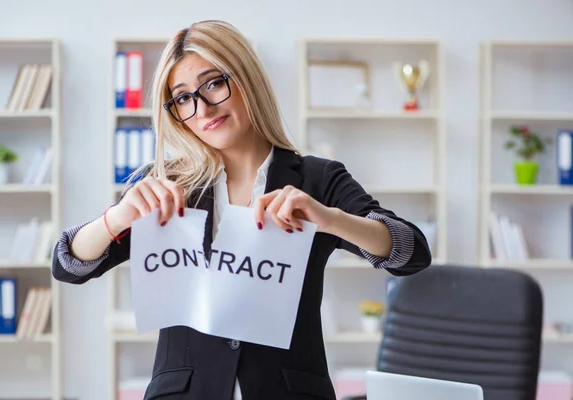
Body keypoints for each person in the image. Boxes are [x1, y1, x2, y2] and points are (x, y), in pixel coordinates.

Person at [52, 19, 432, 400]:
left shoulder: (316, 178)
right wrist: (115, 218)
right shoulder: (169, 184)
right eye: (183, 98)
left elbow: (411, 253)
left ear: (246, 77)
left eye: (213, 83)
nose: (202, 108)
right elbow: (69, 264)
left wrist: (329, 219)